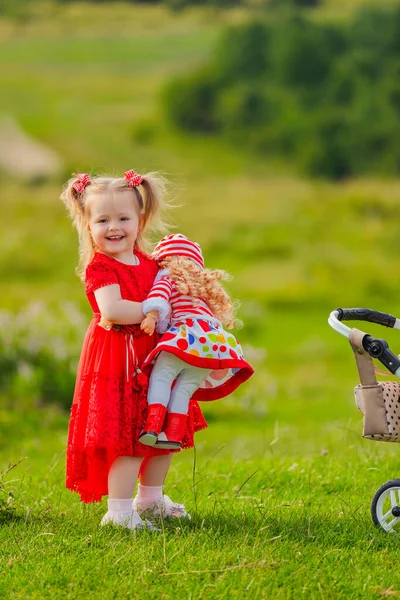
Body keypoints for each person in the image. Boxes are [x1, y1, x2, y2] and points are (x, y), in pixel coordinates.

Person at [60, 171, 207, 530]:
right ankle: (120, 510)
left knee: (163, 433)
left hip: (154, 357)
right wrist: (153, 310)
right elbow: (112, 310)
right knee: (128, 435)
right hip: (118, 359)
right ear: (87, 223)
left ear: (140, 220)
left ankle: (151, 498)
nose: (114, 227)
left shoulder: (150, 262)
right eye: (103, 220)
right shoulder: (100, 267)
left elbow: (175, 296)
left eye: (123, 218)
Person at [138, 233, 254, 449]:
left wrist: (152, 317)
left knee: (162, 376)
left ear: (165, 260)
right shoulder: (203, 287)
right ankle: (172, 434)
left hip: (185, 338)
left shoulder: (167, 277)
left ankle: (152, 426)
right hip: (212, 344)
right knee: (185, 388)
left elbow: (158, 299)